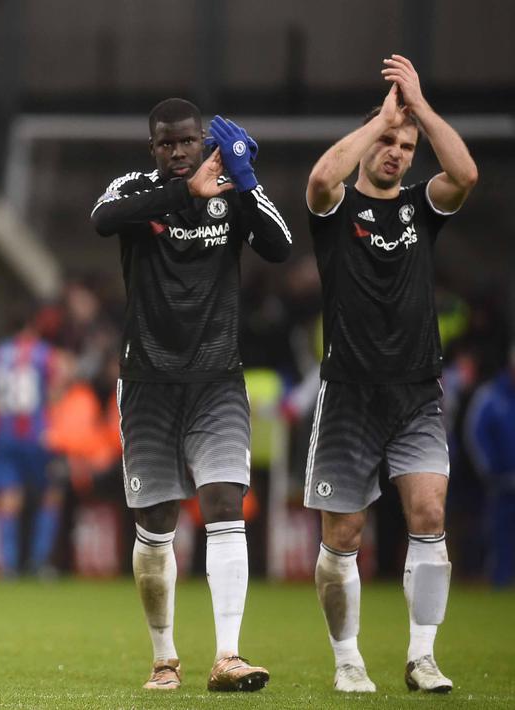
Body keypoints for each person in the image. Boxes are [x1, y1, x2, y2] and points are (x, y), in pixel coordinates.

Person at [90, 98, 291, 692]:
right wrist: (188, 194)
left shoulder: (233, 192)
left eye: (187, 142)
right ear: (152, 148)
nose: (177, 153)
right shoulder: (135, 189)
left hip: (216, 379)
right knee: (155, 521)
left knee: (226, 502)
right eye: (165, 144)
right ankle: (164, 659)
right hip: (148, 381)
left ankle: (228, 655)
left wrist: (245, 183)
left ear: (204, 140)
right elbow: (102, 221)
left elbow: (278, 247)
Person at [303, 54, 477, 694]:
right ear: (368, 141)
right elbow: (321, 176)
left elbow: (464, 172)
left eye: (405, 146)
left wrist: (420, 110)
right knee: (341, 536)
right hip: (347, 394)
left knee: (430, 513)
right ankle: (348, 657)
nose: (397, 153)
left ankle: (422, 656)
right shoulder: (335, 208)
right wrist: (378, 118)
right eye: (387, 142)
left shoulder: (422, 207)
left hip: (414, 393)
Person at [0, 308, 67, 577]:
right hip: (37, 435)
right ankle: (39, 562)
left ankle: (8, 566)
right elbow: (56, 390)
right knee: (50, 495)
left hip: (5, 433)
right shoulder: (45, 354)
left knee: (9, 499)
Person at [465, 345, 515, 588]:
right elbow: (476, 436)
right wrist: (490, 472)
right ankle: (499, 581)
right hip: (501, 484)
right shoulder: (491, 396)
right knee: (499, 536)